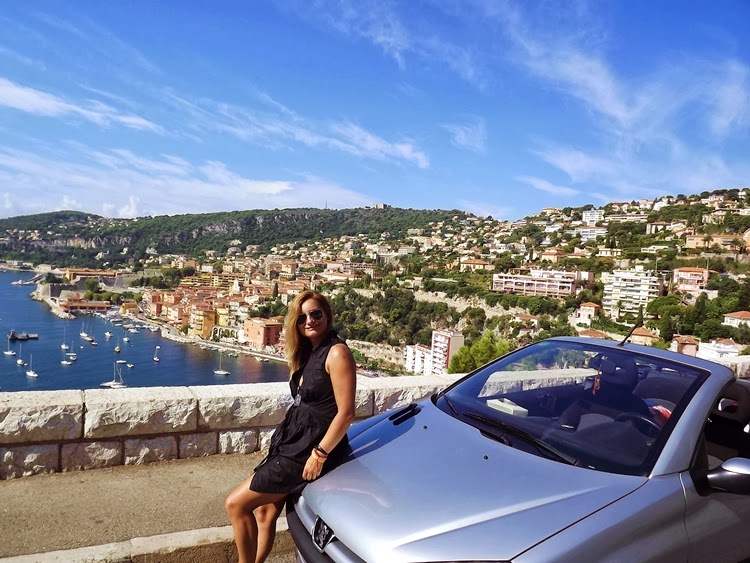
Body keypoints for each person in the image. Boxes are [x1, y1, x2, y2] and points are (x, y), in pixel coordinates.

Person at [225, 290, 356, 563]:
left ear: (327, 315)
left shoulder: (336, 353)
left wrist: (319, 454)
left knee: (236, 504)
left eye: (315, 314)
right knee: (265, 512)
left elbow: (345, 414)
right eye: (301, 318)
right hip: (293, 442)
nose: (309, 321)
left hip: (309, 449)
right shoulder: (309, 352)